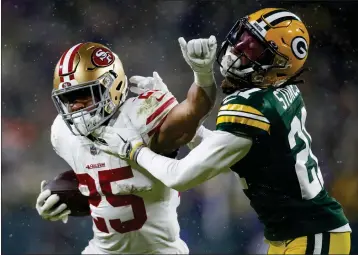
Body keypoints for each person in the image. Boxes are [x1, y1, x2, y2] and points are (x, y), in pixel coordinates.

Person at [95, 8, 352, 254]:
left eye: (254, 48)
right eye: (243, 37)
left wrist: (133, 150)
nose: (237, 49)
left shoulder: (253, 107)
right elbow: (219, 150)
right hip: (298, 234)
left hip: (311, 235)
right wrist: (177, 102)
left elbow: (180, 176)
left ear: (278, 67)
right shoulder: (276, 93)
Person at [35, 37, 218, 254]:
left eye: (83, 94)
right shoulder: (63, 132)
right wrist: (58, 200)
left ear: (112, 87)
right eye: (68, 98)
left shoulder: (140, 116)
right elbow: (99, 177)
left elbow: (193, 112)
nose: (75, 106)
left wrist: (203, 74)